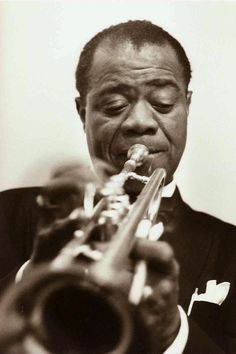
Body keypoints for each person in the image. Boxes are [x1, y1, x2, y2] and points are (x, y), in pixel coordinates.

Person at [0, 20, 236, 354]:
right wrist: (30, 279)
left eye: (164, 103)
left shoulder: (231, 252)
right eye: (114, 105)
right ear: (83, 113)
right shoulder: (5, 217)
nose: (140, 122)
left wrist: (172, 332)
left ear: (186, 106)